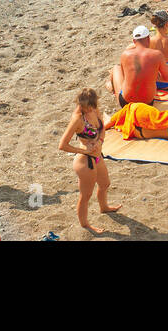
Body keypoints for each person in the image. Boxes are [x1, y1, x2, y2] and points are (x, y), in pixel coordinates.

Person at [57, 88, 121, 232]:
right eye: (87, 107)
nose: (90, 109)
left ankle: (104, 207)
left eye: (92, 106)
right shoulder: (77, 119)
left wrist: (101, 140)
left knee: (105, 184)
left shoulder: (94, 109)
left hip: (97, 156)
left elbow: (102, 127)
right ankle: (85, 225)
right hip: (85, 162)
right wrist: (83, 150)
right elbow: (62, 145)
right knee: (86, 195)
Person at [107, 26, 168, 107]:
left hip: (126, 103)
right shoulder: (157, 54)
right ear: (148, 39)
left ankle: (112, 87)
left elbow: (125, 77)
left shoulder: (125, 54)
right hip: (147, 103)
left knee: (116, 68)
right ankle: (111, 86)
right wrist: (153, 76)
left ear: (134, 41)